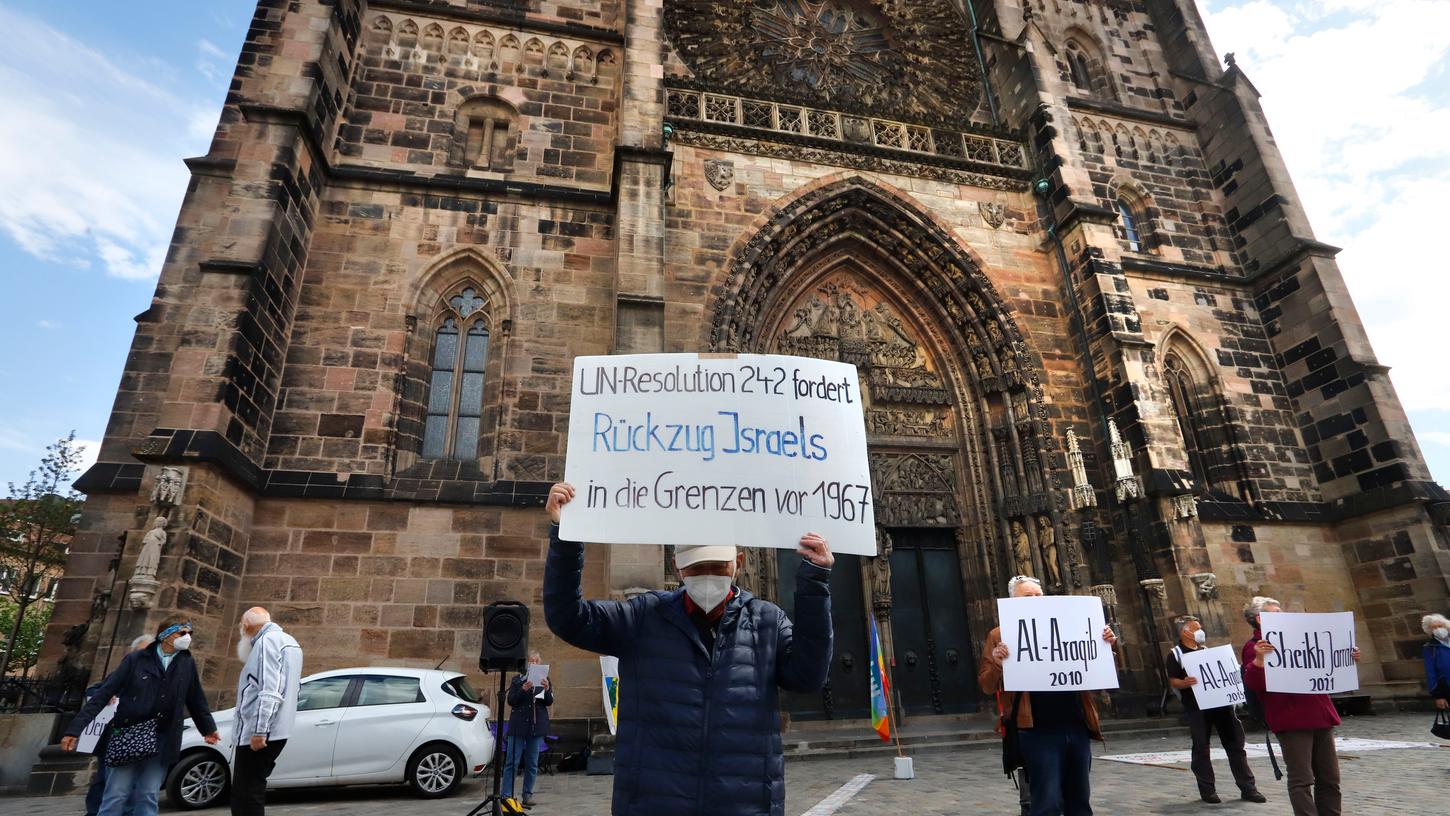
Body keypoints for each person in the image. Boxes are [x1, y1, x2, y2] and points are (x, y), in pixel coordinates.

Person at [541, 481, 833, 816]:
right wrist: (565, 536)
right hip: (656, 802)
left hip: (745, 803)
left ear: (737, 562)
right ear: (679, 568)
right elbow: (567, 618)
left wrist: (814, 581)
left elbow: (808, 677)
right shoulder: (643, 617)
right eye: (697, 567)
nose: (708, 575)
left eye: (717, 565)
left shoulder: (767, 622)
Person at [978, 575, 1119, 816]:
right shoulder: (1000, 635)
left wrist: (1108, 646)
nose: (1034, 599)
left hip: (1076, 724)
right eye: (1027, 596)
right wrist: (999, 663)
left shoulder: (1072, 625)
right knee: (1047, 802)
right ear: (1013, 602)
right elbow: (986, 685)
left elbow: (1102, 673)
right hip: (1037, 729)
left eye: (1038, 595)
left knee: (1080, 800)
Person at [61, 618, 220, 816]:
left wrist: (208, 729)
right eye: (182, 633)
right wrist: (75, 730)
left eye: (189, 633)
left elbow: (196, 699)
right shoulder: (136, 659)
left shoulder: (186, 662)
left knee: (148, 794)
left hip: (162, 738)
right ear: (165, 635)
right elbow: (103, 694)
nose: (187, 638)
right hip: (129, 735)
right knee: (116, 794)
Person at [1240, 596, 1359, 816]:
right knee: (1302, 780)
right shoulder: (1255, 647)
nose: (1281, 615)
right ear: (1259, 618)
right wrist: (1258, 660)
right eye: (1275, 612)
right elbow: (1254, 684)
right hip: (1291, 719)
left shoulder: (1303, 637)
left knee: (1330, 778)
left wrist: (1346, 657)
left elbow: (1325, 661)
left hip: (1319, 714)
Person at [1163, 615, 1265, 804]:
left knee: (1235, 745)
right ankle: (1207, 790)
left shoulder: (1206, 651)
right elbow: (1173, 680)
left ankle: (1248, 788)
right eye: (1196, 628)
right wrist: (1185, 683)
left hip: (1221, 704)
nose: (1201, 631)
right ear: (1185, 632)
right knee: (1201, 748)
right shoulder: (1175, 654)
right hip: (1197, 707)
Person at [231, 607, 303, 816]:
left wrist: (260, 730)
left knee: (246, 793)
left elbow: (270, 689)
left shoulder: (267, 641)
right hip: (278, 729)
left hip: (260, 732)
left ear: (245, 627)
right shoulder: (290, 641)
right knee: (252, 788)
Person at [83, 635, 154, 816]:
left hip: (139, 739)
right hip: (112, 738)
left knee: (133, 787)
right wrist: (105, 696)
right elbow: (95, 690)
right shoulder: (123, 672)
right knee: (104, 782)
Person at [501, 650, 553, 807]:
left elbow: (548, 702)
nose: (533, 664)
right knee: (512, 762)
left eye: (536, 661)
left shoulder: (545, 680)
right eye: (531, 661)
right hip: (518, 726)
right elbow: (511, 701)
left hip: (536, 726)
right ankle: (507, 795)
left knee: (532, 763)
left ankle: (527, 795)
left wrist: (547, 689)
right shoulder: (517, 680)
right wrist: (523, 690)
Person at [1422, 613, 1450, 711]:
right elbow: (1431, 672)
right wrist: (1438, 695)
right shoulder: (1429, 648)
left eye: (1440, 626)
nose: (1438, 629)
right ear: (1431, 631)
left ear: (1446, 626)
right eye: (1434, 627)